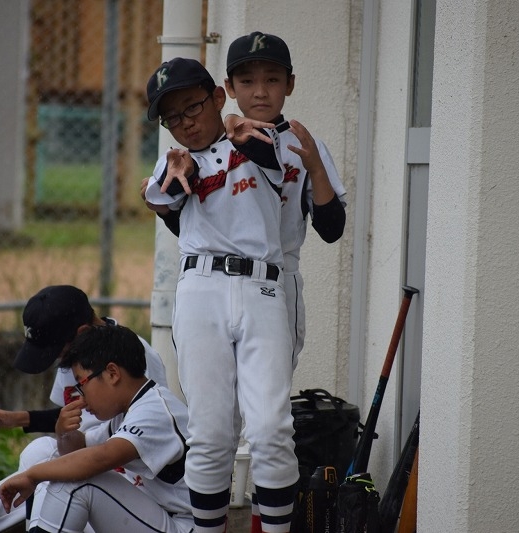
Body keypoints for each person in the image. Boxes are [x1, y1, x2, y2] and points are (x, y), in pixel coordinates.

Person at [143, 57, 299, 533]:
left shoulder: (258, 136)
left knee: (270, 430)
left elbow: (265, 153)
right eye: (172, 116)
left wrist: (232, 123)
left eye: (192, 106)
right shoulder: (174, 159)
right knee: (209, 435)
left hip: (261, 287)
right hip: (201, 289)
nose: (185, 122)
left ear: (216, 96)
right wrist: (179, 167)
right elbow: (160, 196)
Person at [223, 31, 348, 531]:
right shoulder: (215, 140)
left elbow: (332, 228)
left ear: (290, 84)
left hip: (277, 283)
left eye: (272, 79)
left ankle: (262, 521)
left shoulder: (303, 145)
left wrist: (313, 164)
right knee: (220, 422)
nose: (260, 90)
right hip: (217, 287)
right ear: (229, 88)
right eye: (247, 80)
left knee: (267, 421)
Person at [0, 285, 168, 533]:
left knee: (51, 473)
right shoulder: (82, 356)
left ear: (81, 333)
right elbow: (74, 417)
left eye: (56, 350)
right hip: (87, 458)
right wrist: (17, 419)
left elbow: (115, 446)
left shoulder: (131, 358)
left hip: (130, 485)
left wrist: (36, 474)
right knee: (39, 454)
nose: (57, 359)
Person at [0, 324, 193, 533]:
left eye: (81, 384)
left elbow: (99, 458)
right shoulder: (130, 409)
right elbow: (78, 449)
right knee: (43, 451)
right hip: (155, 517)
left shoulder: (156, 409)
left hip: (184, 526)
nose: (81, 397)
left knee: (75, 484)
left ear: (112, 373)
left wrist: (33, 475)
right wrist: (63, 432)